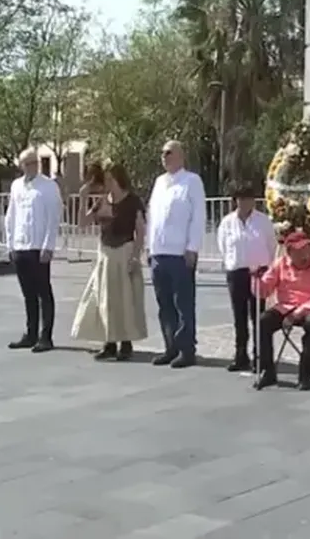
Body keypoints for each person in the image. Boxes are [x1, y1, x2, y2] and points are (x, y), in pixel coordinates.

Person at [71, 163, 149, 360]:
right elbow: (83, 223)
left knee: (124, 299)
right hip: (106, 253)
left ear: (117, 179)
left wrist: (135, 257)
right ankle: (109, 342)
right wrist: (83, 198)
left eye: (108, 179)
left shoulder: (132, 201)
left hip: (124, 251)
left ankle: (125, 343)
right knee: (105, 299)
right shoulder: (103, 202)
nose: (105, 183)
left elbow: (140, 231)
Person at [146, 140, 206, 369]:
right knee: (165, 304)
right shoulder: (160, 182)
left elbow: (198, 216)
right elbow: (153, 217)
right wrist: (149, 248)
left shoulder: (191, 181)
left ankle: (186, 349)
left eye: (168, 152)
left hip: (180, 253)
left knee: (183, 303)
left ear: (180, 155)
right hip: (159, 252)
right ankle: (170, 346)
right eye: (162, 153)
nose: (164, 156)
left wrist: (193, 247)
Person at [254, 230, 310, 390]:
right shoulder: (280, 264)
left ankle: (305, 375)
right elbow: (264, 292)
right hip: (286, 306)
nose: (304, 254)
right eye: (298, 251)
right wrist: (256, 279)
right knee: (263, 321)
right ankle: (267, 371)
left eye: (306, 249)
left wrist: (300, 312)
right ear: (289, 252)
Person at [4, 148, 62, 352]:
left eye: (34, 162)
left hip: (39, 247)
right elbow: (11, 216)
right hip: (21, 245)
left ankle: (46, 336)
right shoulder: (16, 186)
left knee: (43, 292)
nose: (32, 167)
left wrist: (48, 246)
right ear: (21, 165)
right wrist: (10, 244)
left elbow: (54, 218)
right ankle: (30, 333)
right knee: (28, 293)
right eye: (27, 163)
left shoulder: (48, 186)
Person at [216, 183, 276, 372]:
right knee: (239, 317)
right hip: (236, 272)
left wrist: (266, 268)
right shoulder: (227, 222)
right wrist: (230, 264)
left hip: (258, 272)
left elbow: (271, 245)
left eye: (248, 199)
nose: (244, 203)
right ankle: (240, 355)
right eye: (241, 199)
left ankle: (260, 356)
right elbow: (223, 245)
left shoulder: (263, 221)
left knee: (257, 316)